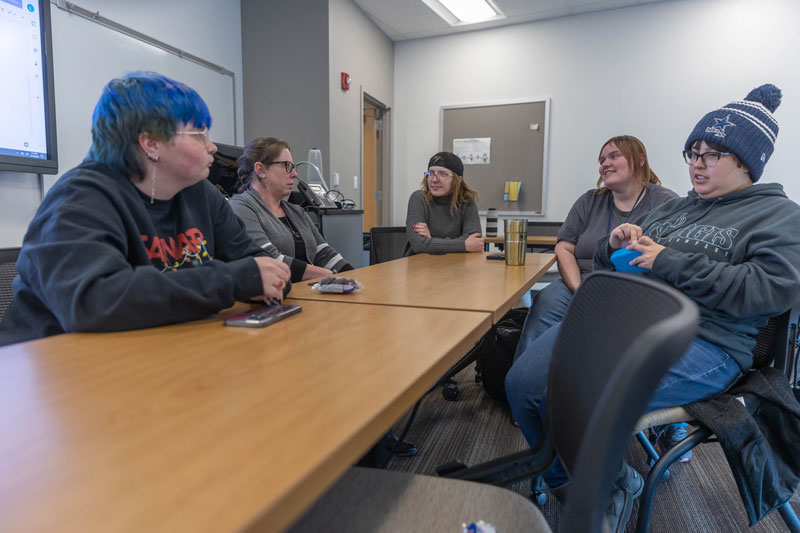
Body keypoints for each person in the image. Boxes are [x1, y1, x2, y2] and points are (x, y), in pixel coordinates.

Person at [505, 84, 800, 532]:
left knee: (578, 398)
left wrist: (668, 260)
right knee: (522, 384)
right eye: (692, 152)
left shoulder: (779, 215)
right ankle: (600, 484)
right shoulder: (677, 209)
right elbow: (605, 259)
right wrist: (614, 242)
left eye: (712, 153)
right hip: (626, 321)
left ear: (747, 161)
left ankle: (600, 496)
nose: (697, 163)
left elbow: (766, 291)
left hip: (705, 340)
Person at [0, 72, 291, 347]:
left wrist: (261, 279)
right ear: (151, 143)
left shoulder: (199, 193)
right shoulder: (78, 199)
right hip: (51, 372)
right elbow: (93, 301)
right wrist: (233, 280)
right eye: (198, 134)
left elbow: (261, 268)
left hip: (151, 351)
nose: (212, 146)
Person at [514, 136, 677, 359]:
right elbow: (564, 248)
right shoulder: (589, 201)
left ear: (640, 160)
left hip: (635, 291)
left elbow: (670, 258)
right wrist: (579, 289)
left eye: (614, 156)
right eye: (601, 160)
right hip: (582, 282)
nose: (605, 164)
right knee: (546, 302)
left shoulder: (666, 203)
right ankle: (523, 382)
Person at [229, 137, 353, 283]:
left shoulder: (296, 211)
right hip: (275, 298)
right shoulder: (241, 207)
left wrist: (354, 276)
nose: (295, 174)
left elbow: (324, 253)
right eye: (287, 166)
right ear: (261, 170)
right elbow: (270, 259)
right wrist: (328, 275)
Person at [404, 152, 483, 255]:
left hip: (454, 266)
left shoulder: (466, 201)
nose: (434, 179)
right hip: (420, 266)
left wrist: (431, 240)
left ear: (458, 180)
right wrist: (463, 245)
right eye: (430, 173)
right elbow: (419, 245)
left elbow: (475, 242)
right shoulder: (419, 199)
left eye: (442, 174)